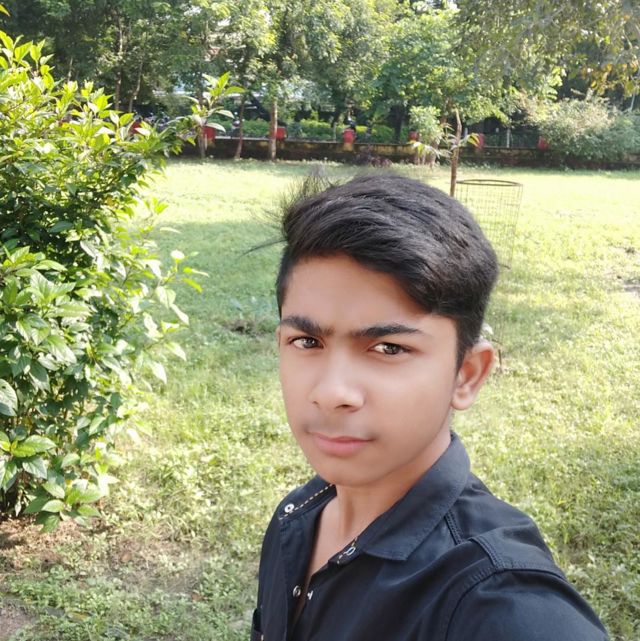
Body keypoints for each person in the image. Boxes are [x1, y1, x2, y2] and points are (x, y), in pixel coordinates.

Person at [252, 173, 608, 641]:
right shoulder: (299, 516)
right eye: (306, 341)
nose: (332, 392)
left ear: (467, 374)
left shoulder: (499, 604)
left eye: (389, 348)